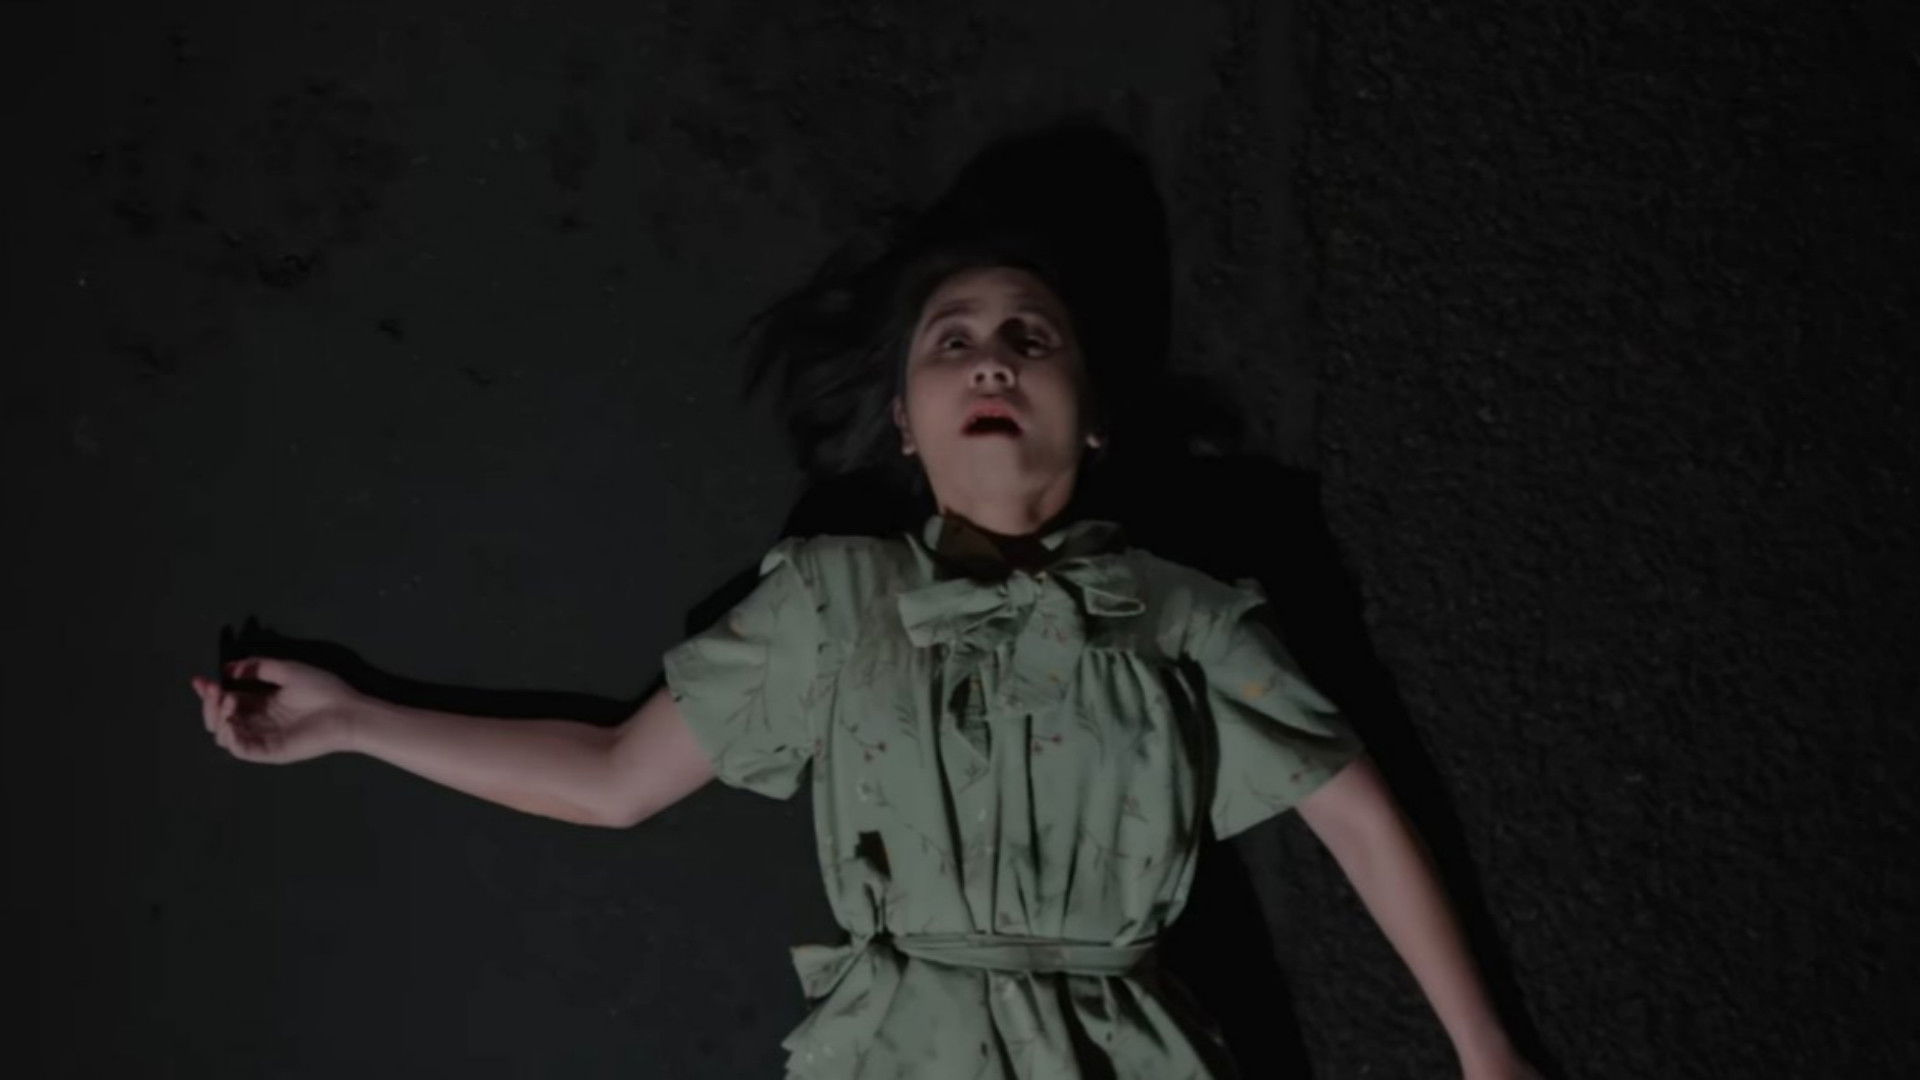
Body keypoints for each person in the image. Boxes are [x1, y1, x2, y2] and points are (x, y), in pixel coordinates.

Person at [190, 151, 1543, 1080]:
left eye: (1031, 337)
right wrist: (356, 721)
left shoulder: (1186, 619)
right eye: (953, 341)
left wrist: (1485, 1055)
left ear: (1095, 414)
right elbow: (612, 780)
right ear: (905, 420)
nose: (992, 358)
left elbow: (1358, 817)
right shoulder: (836, 602)